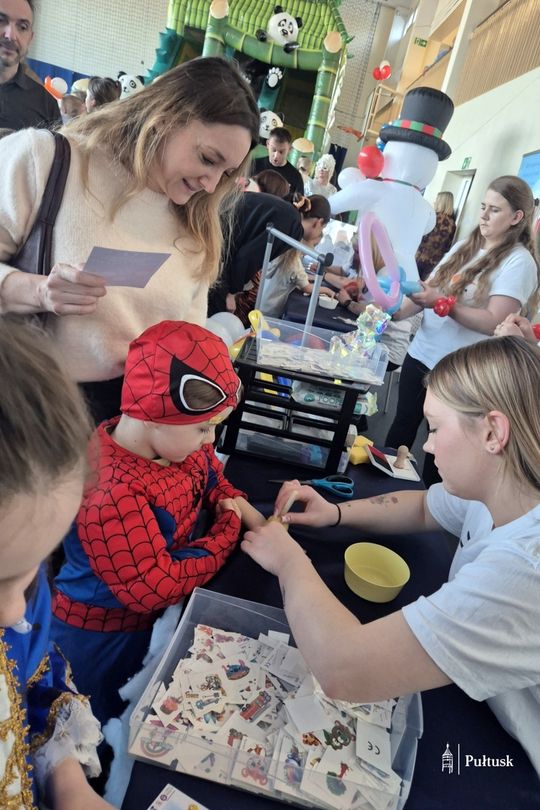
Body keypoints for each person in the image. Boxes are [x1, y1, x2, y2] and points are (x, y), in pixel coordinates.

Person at [242, 336, 540, 776]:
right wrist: (336, 513)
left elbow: (343, 668)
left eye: (435, 429)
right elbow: (424, 507)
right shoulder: (507, 486)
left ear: (493, 433)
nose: (427, 447)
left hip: (512, 755)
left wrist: (288, 560)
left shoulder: (523, 571)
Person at [0, 56, 259, 423]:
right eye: (207, 158)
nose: (212, 184)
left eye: (227, 173)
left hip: (131, 427)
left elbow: (186, 338)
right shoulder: (46, 159)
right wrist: (38, 291)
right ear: (164, 118)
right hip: (26, 409)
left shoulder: (198, 223)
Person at [51, 320, 266, 726]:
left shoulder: (176, 443)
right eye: (204, 428)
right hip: (99, 640)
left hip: (149, 623)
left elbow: (209, 475)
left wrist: (244, 510)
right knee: (91, 725)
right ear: (151, 412)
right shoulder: (110, 491)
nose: (210, 441)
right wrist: (227, 529)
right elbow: (153, 586)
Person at [0, 316, 114, 809]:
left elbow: (32, 678)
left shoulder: (18, 592)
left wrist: (67, 783)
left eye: (31, 571)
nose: (14, 613)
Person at [386, 175, 539, 485]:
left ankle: (430, 508)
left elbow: (494, 321)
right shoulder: (466, 246)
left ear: (516, 217)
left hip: (460, 372)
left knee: (441, 451)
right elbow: (429, 292)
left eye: (494, 210)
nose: (483, 216)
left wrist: (444, 304)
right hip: (421, 355)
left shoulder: (519, 262)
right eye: (483, 207)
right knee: (400, 430)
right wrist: (395, 309)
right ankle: (379, 494)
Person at [207, 190, 304, 316]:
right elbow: (246, 257)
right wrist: (232, 293)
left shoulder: (286, 212)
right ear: (318, 222)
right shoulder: (293, 226)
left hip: (215, 232)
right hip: (215, 245)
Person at [256, 194, 336, 320]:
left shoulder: (283, 239)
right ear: (319, 222)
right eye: (323, 228)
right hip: (269, 313)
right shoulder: (293, 260)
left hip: (257, 303)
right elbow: (307, 287)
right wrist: (326, 290)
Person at [0, 0, 61, 129]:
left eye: (22, 27)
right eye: (1, 20)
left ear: (30, 38)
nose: (11, 35)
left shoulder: (47, 106)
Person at [415, 190, 456, 280]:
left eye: (437, 200)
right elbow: (448, 246)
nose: (435, 202)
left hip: (420, 257)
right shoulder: (452, 224)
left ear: (441, 202)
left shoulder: (433, 216)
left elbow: (419, 234)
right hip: (434, 263)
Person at [252, 126, 304, 195]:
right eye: (273, 150)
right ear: (267, 144)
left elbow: (299, 200)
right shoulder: (253, 165)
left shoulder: (296, 176)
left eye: (281, 152)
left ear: (289, 149)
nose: (276, 156)